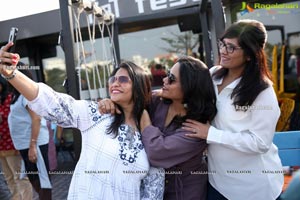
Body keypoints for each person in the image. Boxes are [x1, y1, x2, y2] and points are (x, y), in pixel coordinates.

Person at [0, 47, 163, 199]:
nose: (115, 83)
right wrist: (12, 74)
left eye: (123, 79)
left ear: (140, 86)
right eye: (113, 78)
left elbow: (153, 192)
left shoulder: (151, 135)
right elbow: (52, 102)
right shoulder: (96, 114)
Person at [183, 19, 284, 200]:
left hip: (254, 189)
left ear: (249, 55)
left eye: (231, 47)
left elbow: (260, 142)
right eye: (223, 44)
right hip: (218, 182)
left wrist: (211, 134)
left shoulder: (263, 91)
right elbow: (182, 91)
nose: (223, 51)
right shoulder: (213, 75)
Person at [100, 56, 217, 200]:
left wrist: (144, 117)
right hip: (152, 191)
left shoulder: (197, 128)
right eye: (168, 75)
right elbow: (130, 101)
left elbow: (157, 153)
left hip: (183, 193)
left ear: (189, 86)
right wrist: (109, 102)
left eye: (172, 79)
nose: (164, 80)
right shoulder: (158, 102)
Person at [8, 67, 52, 200]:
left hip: (34, 143)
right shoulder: (17, 95)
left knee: (42, 180)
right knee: (33, 178)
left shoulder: (28, 94)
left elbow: (36, 119)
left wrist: (33, 145)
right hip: (24, 144)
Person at [0, 75, 33, 200]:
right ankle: (16, 198)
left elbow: (15, 118)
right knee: (8, 177)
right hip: (1, 144)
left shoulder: (10, 99)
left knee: (19, 175)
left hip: (12, 142)